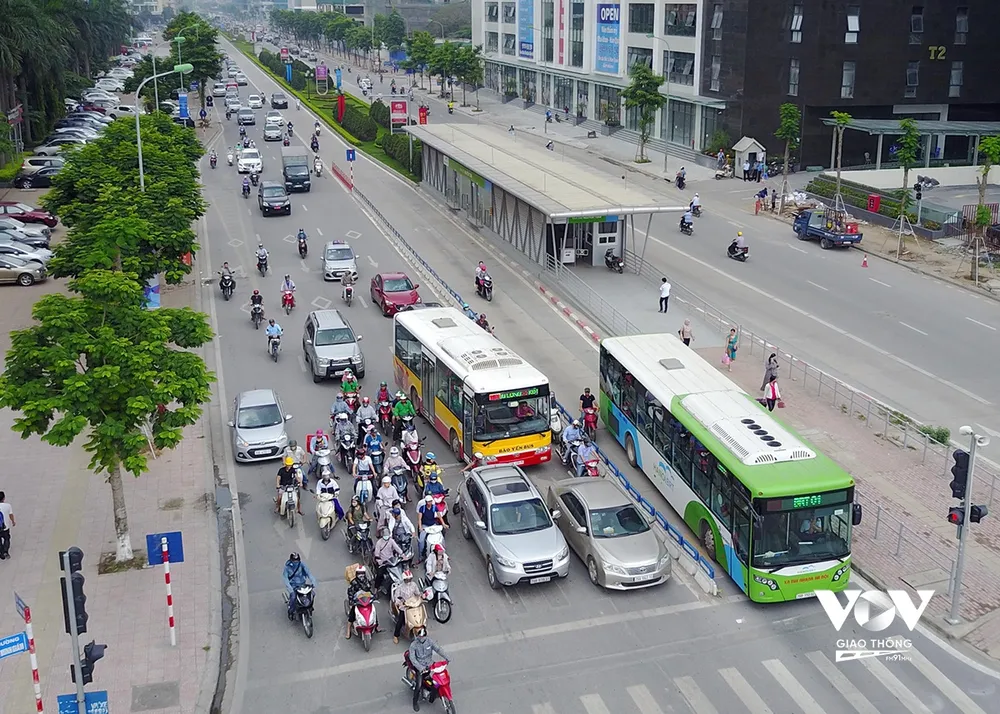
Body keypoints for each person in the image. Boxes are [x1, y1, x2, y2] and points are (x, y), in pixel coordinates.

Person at [407, 627, 449, 709]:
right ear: (417, 636)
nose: (422, 638)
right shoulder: (413, 645)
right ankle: (415, 702)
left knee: (437, 682)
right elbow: (413, 659)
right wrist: (420, 668)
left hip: (430, 665)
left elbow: (438, 649)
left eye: (423, 636)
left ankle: (432, 696)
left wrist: (446, 657)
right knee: (418, 686)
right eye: (420, 636)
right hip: (420, 667)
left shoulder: (430, 641)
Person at [392, 570, 424, 645]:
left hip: (413, 605)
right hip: (405, 607)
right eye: (407, 579)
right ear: (404, 579)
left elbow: (417, 593)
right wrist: (399, 603)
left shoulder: (414, 585)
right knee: (400, 621)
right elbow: (396, 597)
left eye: (410, 579)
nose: (409, 581)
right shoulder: (400, 587)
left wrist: (421, 596)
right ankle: (396, 635)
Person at [282, 553, 317, 618]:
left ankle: (310, 607)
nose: (296, 562)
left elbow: (308, 573)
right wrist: (290, 589)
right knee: (293, 597)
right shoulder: (287, 568)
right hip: (293, 586)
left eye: (297, 561)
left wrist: (313, 581)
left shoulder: (301, 565)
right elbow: (285, 579)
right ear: (291, 560)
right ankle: (291, 611)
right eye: (294, 561)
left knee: (312, 594)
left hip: (302, 585)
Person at [345, 564, 374, 639]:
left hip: (366, 601)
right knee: (352, 614)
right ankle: (348, 629)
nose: (361, 575)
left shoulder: (367, 581)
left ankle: (376, 625)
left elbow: (369, 590)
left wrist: (373, 596)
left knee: (373, 610)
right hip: (357, 602)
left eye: (362, 573)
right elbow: (350, 592)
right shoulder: (354, 582)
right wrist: (352, 601)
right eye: (359, 573)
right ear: (356, 574)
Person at [416, 495, 447, 563]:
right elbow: (419, 519)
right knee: (421, 541)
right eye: (428, 502)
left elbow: (439, 516)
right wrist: (420, 527)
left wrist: (443, 524)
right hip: (425, 526)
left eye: (430, 501)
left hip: (433, 525)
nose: (429, 503)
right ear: (426, 502)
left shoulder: (434, 507)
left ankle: (444, 554)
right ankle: (421, 556)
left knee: (441, 538)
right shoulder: (422, 508)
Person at [0, 491, 15, 560]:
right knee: (6, 538)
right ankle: (6, 551)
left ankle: (1, 552)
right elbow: (10, 515)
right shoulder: (7, 506)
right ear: (4, 498)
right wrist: (13, 521)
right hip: (5, 527)